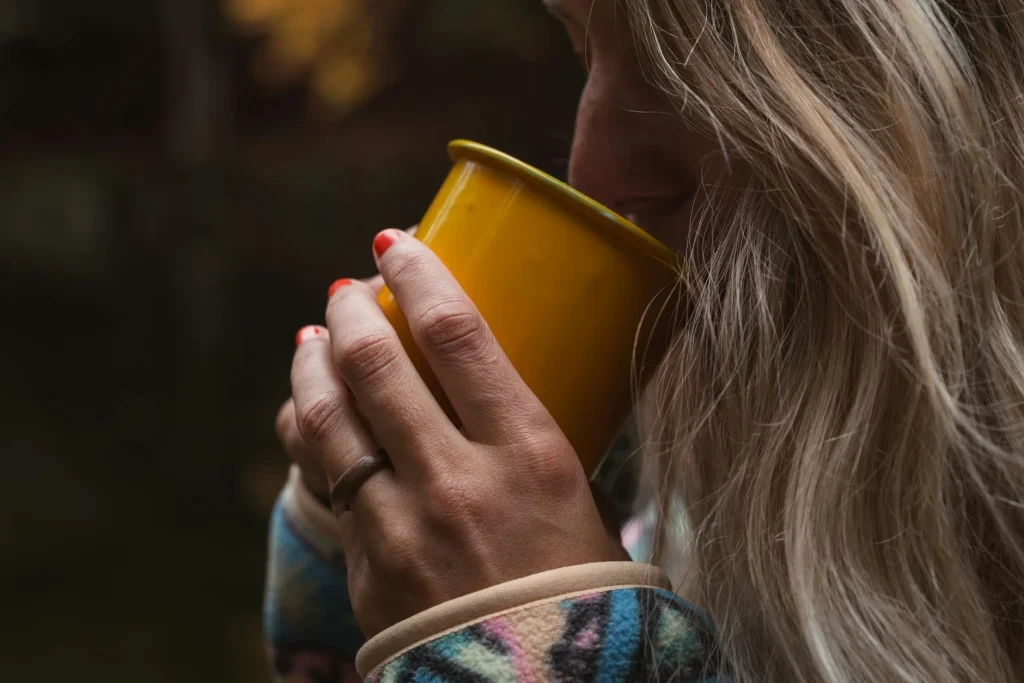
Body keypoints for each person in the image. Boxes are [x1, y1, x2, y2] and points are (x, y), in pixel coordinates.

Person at [264, 0, 1024, 680]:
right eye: (584, 51)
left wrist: (544, 645)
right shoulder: (688, 521)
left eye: (687, 71)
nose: (592, 171)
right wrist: (371, 533)